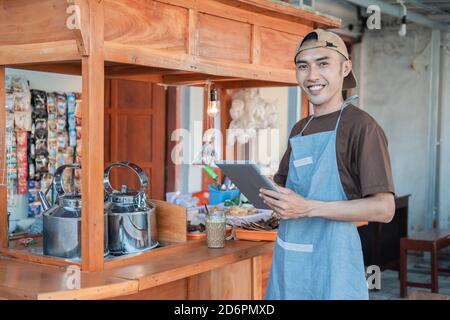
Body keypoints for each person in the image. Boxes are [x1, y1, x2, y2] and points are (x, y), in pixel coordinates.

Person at [259, 29, 395, 300]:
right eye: (303, 66)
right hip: (290, 262)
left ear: (345, 68)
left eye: (323, 64)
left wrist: (309, 208)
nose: (312, 76)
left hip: (333, 267)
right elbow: (284, 189)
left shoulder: (362, 127)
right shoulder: (300, 128)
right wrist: (260, 188)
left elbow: (385, 208)